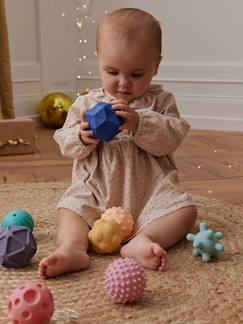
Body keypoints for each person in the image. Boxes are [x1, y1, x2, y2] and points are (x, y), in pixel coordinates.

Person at [38, 7, 197, 278]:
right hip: (96, 190)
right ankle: (73, 247)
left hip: (150, 193)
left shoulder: (160, 102)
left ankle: (142, 240)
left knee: (185, 211)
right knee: (70, 207)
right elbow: (63, 141)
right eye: (112, 71)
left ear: (156, 66)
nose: (123, 83)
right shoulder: (86, 103)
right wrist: (81, 136)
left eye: (136, 74)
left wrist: (140, 123)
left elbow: (172, 136)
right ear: (99, 60)